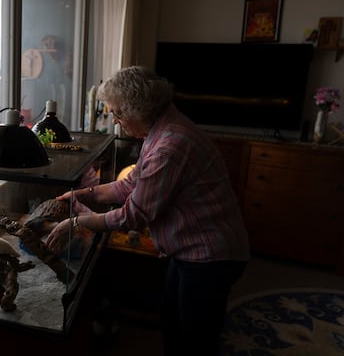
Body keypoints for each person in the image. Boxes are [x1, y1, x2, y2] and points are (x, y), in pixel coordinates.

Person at [45, 65, 249, 356]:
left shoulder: (170, 145)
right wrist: (80, 193)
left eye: (117, 113)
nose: (115, 122)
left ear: (138, 108)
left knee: (195, 340)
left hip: (210, 255)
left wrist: (76, 221)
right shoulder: (160, 131)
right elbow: (129, 184)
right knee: (172, 322)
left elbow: (134, 215)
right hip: (188, 251)